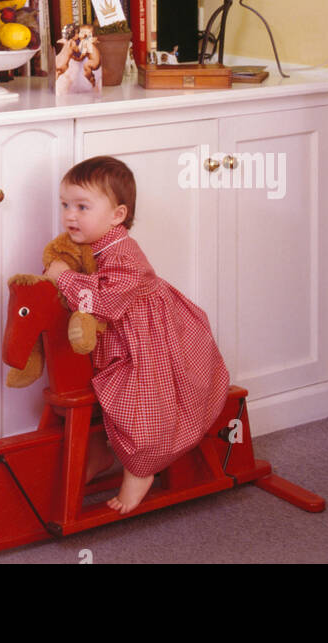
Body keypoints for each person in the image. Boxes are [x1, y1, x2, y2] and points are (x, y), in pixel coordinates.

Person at [44, 155, 230, 514]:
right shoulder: (94, 246)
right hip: (125, 332)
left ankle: (141, 469)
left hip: (150, 337)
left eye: (83, 206)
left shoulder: (124, 253)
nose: (70, 215)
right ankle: (100, 457)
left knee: (141, 399)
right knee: (102, 392)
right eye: (65, 205)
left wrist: (63, 277)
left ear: (117, 215)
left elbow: (104, 300)